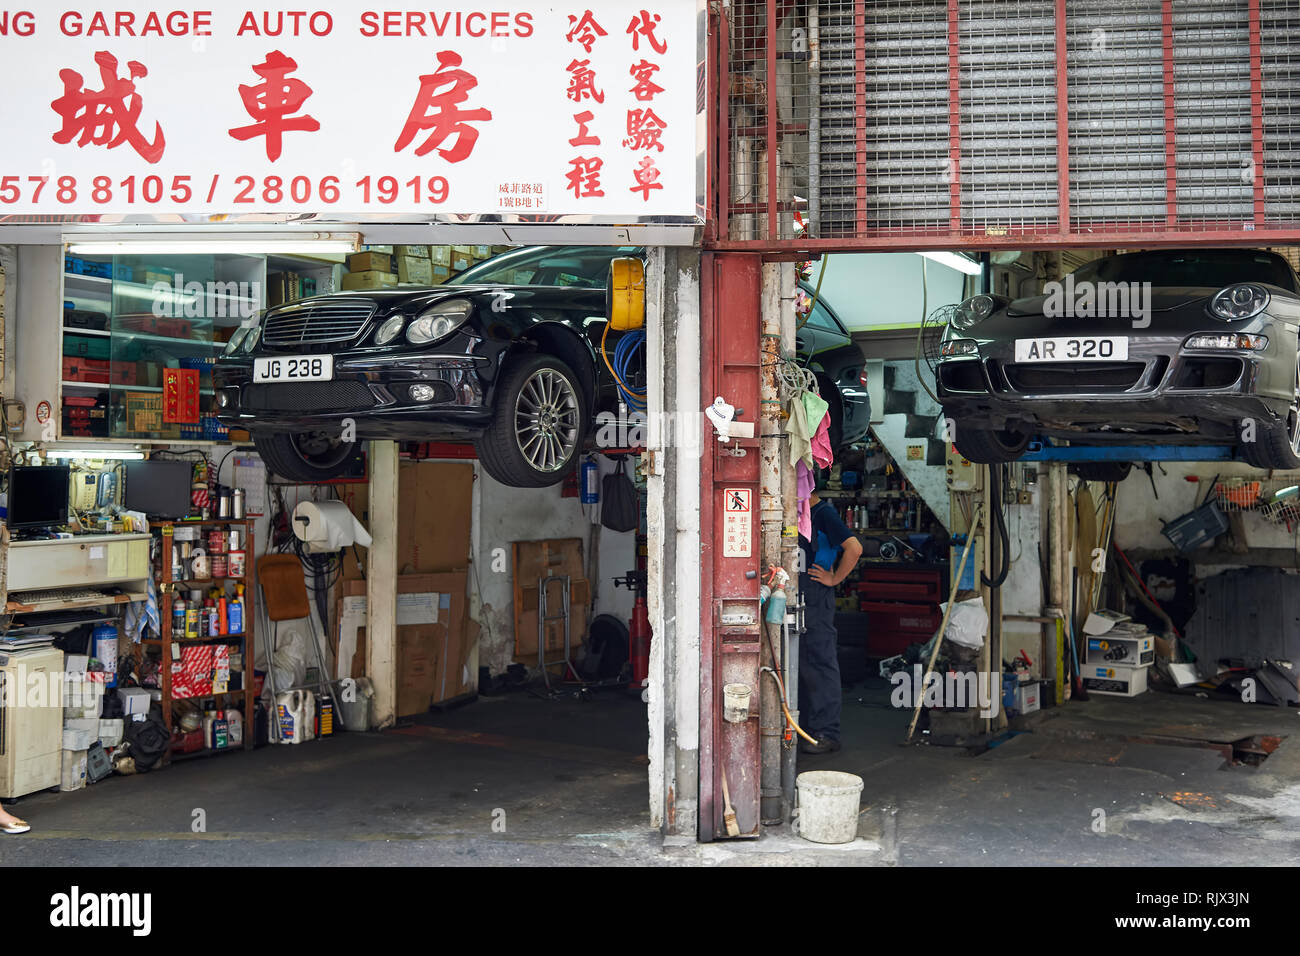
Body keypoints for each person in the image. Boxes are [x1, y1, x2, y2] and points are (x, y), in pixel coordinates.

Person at [798, 480, 863, 755]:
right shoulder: (796, 515)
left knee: (821, 663)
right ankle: (803, 729)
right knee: (799, 664)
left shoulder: (823, 513)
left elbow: (854, 548)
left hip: (816, 598)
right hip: (797, 597)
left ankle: (827, 732)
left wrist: (834, 578)